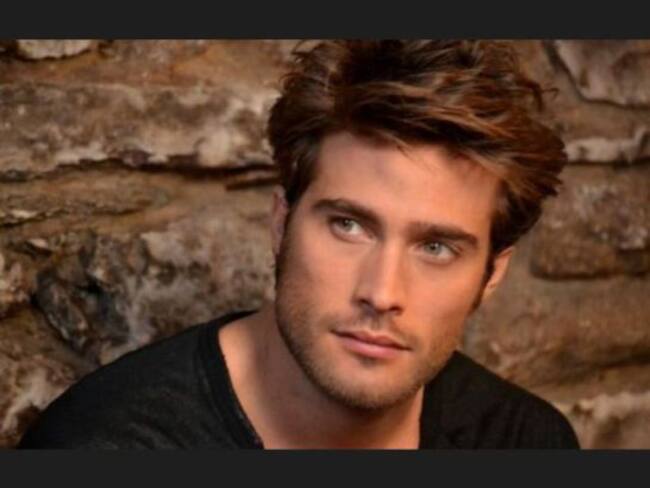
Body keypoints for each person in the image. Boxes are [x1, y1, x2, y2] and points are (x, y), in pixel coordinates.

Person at [18, 40, 579, 449]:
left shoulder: (525, 440)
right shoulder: (106, 443)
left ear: (492, 273)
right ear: (281, 224)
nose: (382, 293)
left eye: (436, 248)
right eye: (348, 225)